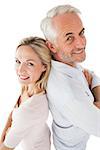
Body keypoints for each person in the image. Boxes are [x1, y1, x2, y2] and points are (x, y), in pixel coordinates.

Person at [40, 4, 100, 150]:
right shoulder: (67, 93)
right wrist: (96, 98)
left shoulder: (67, 61)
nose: (81, 43)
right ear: (52, 46)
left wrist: (94, 102)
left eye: (81, 33)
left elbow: (92, 76)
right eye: (69, 38)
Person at [0, 37, 51, 150]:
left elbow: (5, 148)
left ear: (44, 66)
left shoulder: (32, 108)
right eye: (18, 61)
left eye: (30, 64)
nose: (20, 70)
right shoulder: (27, 86)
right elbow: (12, 114)